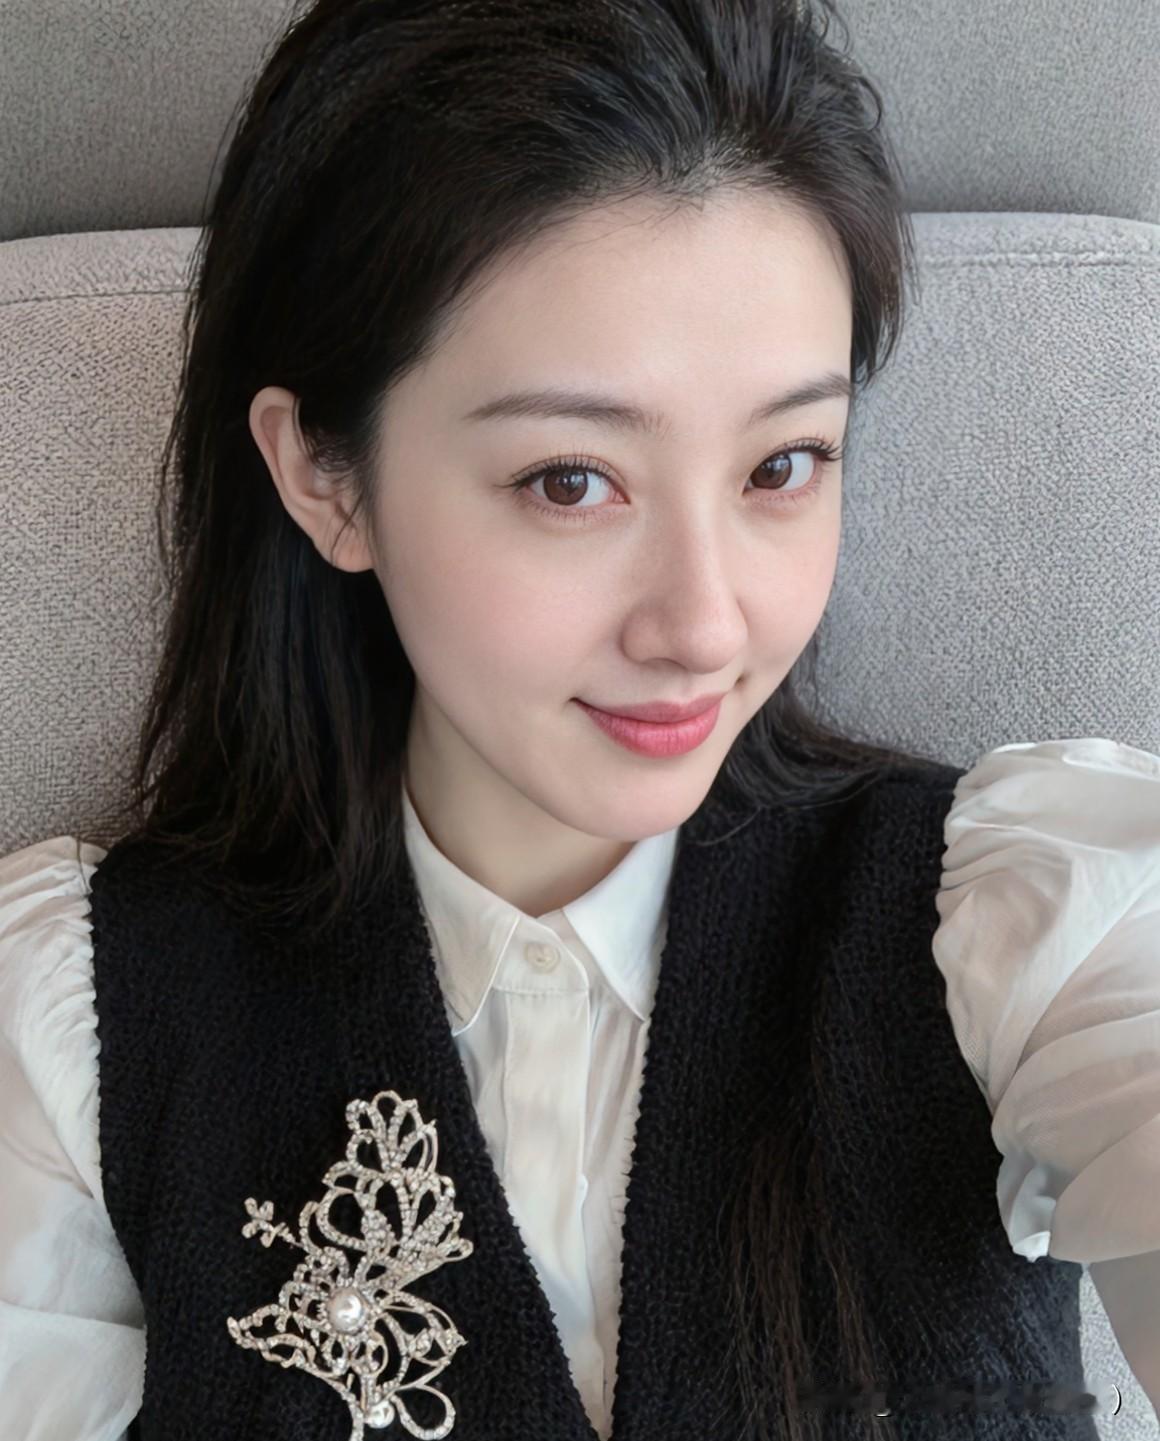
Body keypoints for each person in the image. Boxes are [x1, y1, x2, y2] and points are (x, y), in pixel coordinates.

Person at [1, 1, 1157, 1438]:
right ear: (325, 478)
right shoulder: (80, 1030)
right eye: (570, 481)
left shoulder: (1015, 917)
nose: (705, 625)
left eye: (783, 465)